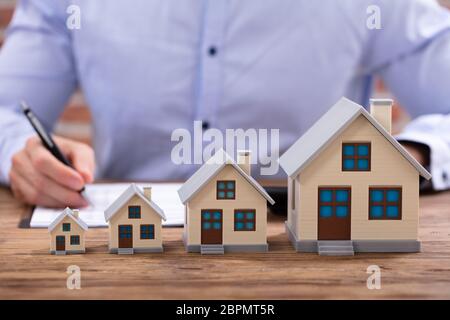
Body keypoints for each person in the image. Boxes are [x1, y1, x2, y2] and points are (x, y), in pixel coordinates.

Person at [0, 0, 449, 208]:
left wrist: (411, 156)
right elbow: (5, 110)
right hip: (124, 239)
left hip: (306, 246)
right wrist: (21, 155)